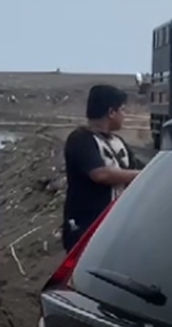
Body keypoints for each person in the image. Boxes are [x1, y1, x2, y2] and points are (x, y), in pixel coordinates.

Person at [61, 84, 143, 251]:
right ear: (112, 112)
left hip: (114, 227)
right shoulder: (81, 140)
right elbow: (100, 174)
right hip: (86, 228)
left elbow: (136, 168)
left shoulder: (118, 143)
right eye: (123, 110)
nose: (124, 115)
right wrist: (144, 175)